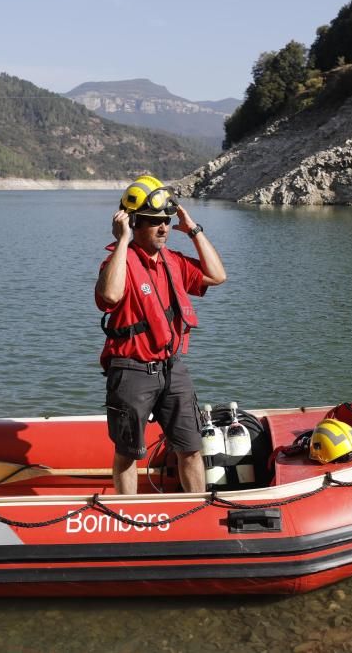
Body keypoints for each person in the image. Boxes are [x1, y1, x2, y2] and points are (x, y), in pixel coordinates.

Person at [95, 175, 227, 494]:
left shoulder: (174, 263)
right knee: (128, 454)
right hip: (131, 370)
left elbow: (217, 275)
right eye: (155, 222)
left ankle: (198, 511)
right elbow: (110, 297)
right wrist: (123, 240)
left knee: (191, 448)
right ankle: (128, 519)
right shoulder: (118, 263)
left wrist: (192, 228)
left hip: (172, 368)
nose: (164, 228)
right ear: (135, 222)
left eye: (166, 221)